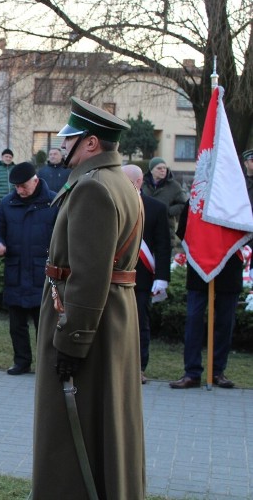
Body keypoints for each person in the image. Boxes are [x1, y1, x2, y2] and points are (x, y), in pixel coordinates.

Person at [32, 97, 145, 499]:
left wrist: (71, 340)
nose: (63, 147)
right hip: (111, 317)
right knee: (108, 425)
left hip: (86, 322)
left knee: (71, 431)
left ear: (92, 143)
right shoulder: (118, 182)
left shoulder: (93, 188)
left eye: (71, 140)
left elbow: (89, 275)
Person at [0, 161, 57, 375]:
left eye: (23, 186)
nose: (20, 190)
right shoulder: (8, 203)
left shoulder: (53, 202)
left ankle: (46, 365)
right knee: (16, 325)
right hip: (16, 271)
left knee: (44, 326)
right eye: (16, 186)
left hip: (43, 273)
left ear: (35, 180)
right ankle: (21, 361)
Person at [169, 208, 239, 389]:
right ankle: (192, 372)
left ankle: (217, 371)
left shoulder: (237, 193)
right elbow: (184, 226)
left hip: (229, 260)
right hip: (199, 261)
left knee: (225, 320)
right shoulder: (197, 192)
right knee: (194, 318)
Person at [122, 164, 171, 384]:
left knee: (140, 323)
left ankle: (139, 368)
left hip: (141, 277)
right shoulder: (111, 203)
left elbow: (163, 245)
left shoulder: (156, 208)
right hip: (114, 275)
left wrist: (161, 277)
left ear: (139, 182)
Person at [143, 157, 188, 238]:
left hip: (166, 229)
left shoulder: (174, 186)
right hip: (145, 229)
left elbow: (183, 204)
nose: (163, 170)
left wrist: (168, 211)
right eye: (159, 168)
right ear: (151, 170)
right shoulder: (143, 185)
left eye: (164, 168)